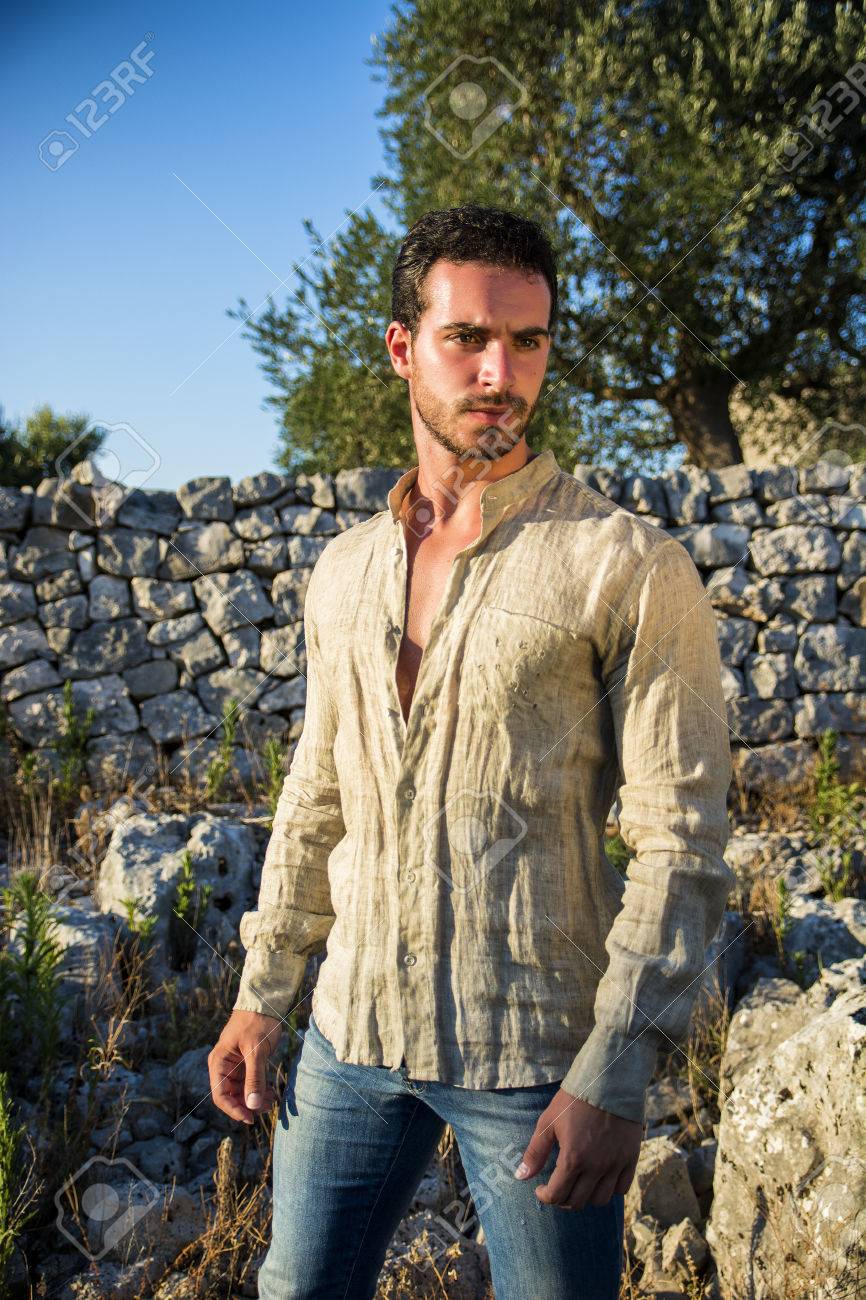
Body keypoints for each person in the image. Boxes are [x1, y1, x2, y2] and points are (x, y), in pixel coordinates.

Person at [208, 203, 734, 1298]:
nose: (501, 373)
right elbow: (317, 793)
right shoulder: (343, 570)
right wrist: (266, 992)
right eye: (468, 338)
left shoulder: (625, 565)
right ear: (402, 346)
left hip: (533, 1056)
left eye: (528, 341)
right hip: (350, 1033)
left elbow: (680, 841)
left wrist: (615, 1069)